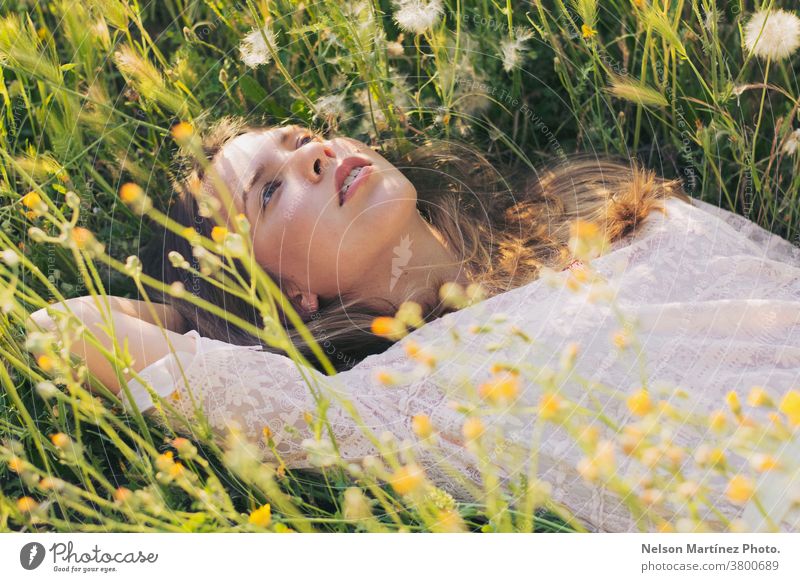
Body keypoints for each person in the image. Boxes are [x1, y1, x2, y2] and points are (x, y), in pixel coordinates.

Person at [27, 119, 800, 531]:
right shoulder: (392, 410)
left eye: (301, 139)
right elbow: (75, 324)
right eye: (269, 193)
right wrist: (218, 316)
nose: (317, 156)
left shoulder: (593, 210)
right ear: (282, 291)